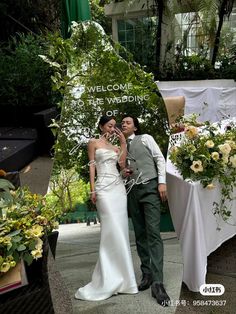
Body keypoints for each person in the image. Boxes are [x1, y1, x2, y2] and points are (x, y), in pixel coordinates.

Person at [75, 115, 138, 301]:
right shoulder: (93, 143)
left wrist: (123, 143)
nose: (112, 128)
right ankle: (107, 278)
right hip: (103, 189)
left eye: (114, 126)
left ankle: (125, 280)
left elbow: (121, 166)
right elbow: (92, 167)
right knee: (110, 231)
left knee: (121, 230)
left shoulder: (116, 147)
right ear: (102, 126)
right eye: (109, 126)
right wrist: (92, 190)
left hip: (118, 188)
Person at [121, 115, 170, 307]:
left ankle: (158, 283)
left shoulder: (146, 138)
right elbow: (121, 171)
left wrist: (162, 182)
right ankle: (147, 274)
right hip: (132, 192)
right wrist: (123, 172)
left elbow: (159, 158)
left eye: (127, 122)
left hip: (150, 188)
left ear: (135, 127)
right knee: (139, 234)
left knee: (153, 233)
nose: (123, 124)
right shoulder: (121, 147)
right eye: (122, 123)